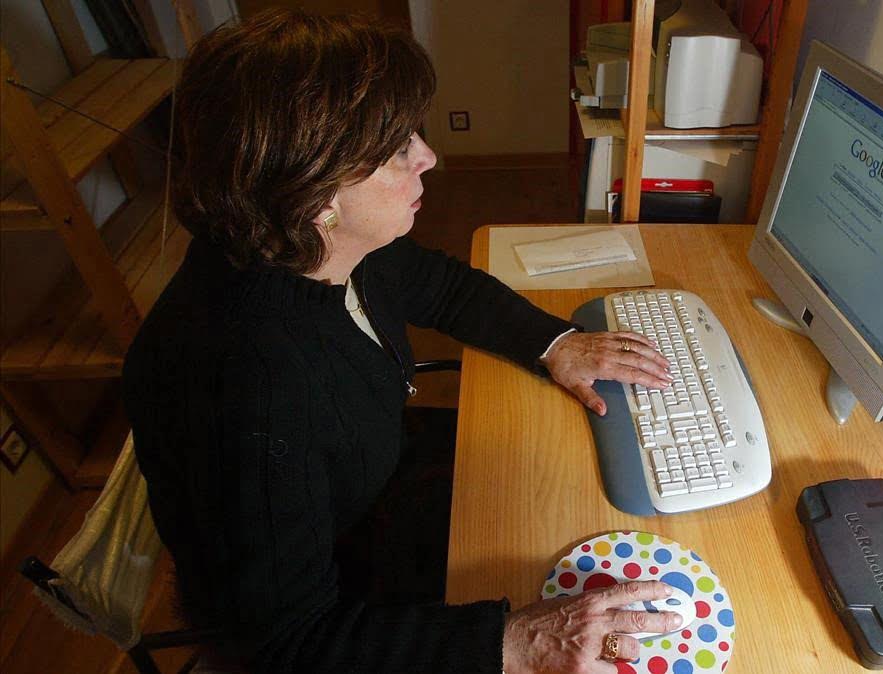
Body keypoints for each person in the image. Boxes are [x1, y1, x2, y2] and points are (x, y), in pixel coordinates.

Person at [122, 9, 683, 673]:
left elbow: (441, 285)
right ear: (314, 194)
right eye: (394, 150)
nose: (427, 156)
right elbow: (287, 644)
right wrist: (514, 643)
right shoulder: (247, 383)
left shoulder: (322, 244)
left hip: (367, 489)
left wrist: (555, 342)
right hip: (338, 597)